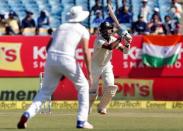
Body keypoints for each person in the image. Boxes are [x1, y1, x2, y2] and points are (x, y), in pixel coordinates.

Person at [17, 6, 93, 129]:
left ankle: (28, 113)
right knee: (83, 86)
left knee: (45, 91)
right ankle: (81, 120)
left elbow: (48, 48)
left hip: (51, 58)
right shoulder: (82, 29)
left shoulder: (61, 27)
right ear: (81, 17)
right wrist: (89, 73)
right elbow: (86, 52)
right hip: (67, 58)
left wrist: (57, 67)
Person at [89, 21, 132, 114]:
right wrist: (121, 37)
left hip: (106, 65)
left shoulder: (113, 39)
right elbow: (109, 47)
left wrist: (128, 43)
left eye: (109, 29)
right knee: (92, 91)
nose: (107, 31)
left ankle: (102, 107)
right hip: (95, 65)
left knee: (111, 88)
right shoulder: (98, 40)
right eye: (105, 29)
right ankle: (87, 108)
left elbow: (124, 51)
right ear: (102, 31)